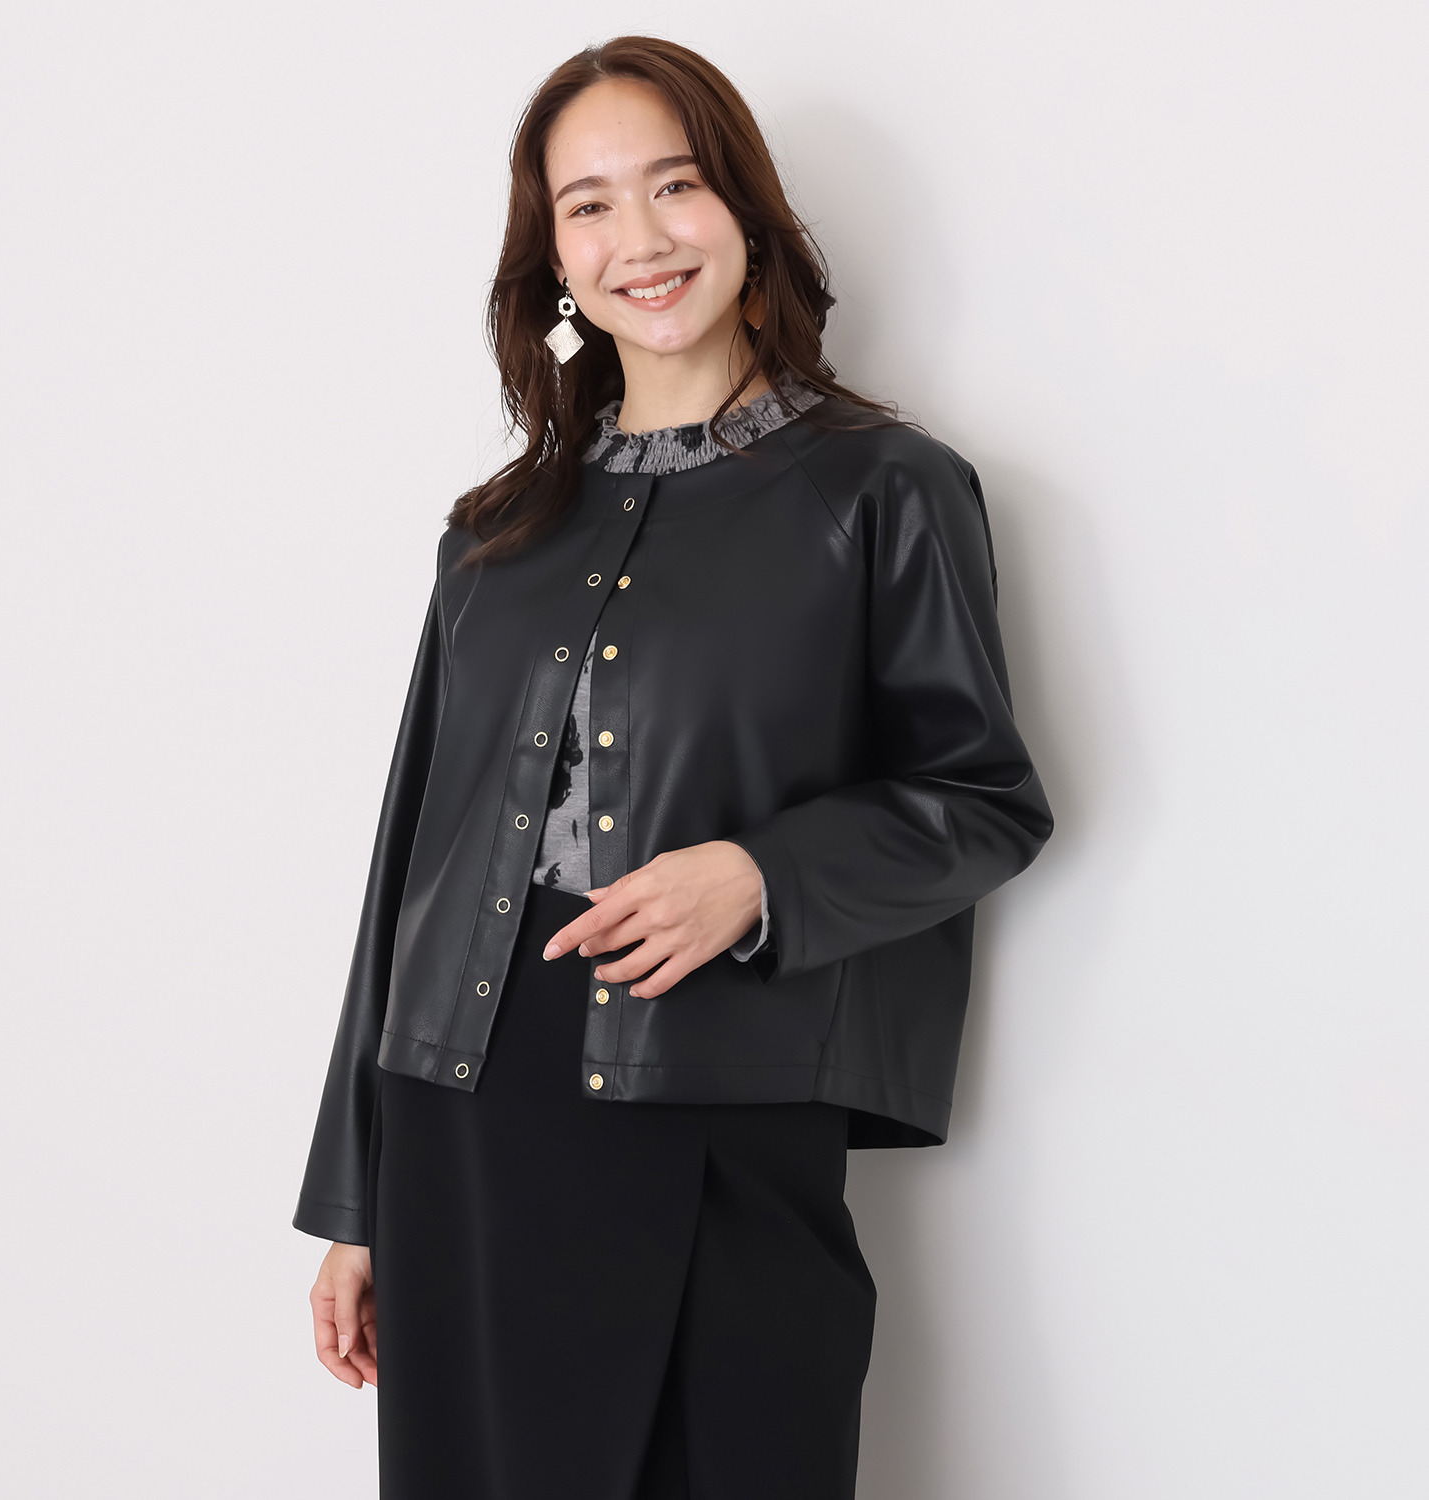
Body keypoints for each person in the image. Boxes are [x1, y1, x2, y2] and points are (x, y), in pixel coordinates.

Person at [293, 34, 1054, 1500]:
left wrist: (759, 877)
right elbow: (407, 872)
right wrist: (356, 1200)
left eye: (675, 185)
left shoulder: (884, 489)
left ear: (747, 212)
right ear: (553, 260)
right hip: (458, 1123)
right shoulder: (493, 536)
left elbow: (982, 799)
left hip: (711, 1095)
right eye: (588, 205)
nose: (638, 238)